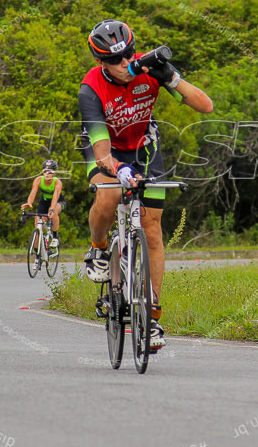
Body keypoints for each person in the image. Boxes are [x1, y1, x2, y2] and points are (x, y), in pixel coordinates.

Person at [79, 19, 213, 349]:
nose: (125, 64)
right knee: (109, 196)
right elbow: (101, 151)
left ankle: (151, 317)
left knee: (152, 230)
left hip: (144, 147)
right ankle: (97, 249)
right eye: (115, 60)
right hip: (106, 150)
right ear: (101, 62)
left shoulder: (149, 68)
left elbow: (205, 105)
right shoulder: (91, 88)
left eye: (128, 55)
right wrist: (119, 170)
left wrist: (171, 77)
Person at [21, 159, 64, 247]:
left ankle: (55, 237)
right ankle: (38, 254)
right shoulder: (38, 180)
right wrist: (29, 202)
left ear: (54, 173)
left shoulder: (57, 182)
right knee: (37, 226)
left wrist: (52, 209)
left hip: (57, 201)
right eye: (45, 171)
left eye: (50, 172)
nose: (47, 174)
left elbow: (55, 197)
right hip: (44, 201)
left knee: (53, 211)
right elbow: (33, 192)